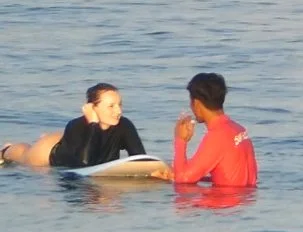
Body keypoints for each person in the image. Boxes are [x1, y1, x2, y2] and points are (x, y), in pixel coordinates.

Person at [1, 83, 147, 168]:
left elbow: (140, 157)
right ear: (92, 107)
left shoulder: (124, 125)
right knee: (23, 155)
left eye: (119, 104)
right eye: (111, 106)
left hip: (68, 141)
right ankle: (6, 149)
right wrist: (94, 124)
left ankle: (45, 137)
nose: (118, 111)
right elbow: (84, 164)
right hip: (48, 154)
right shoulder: (76, 125)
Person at [166, 73, 258, 187]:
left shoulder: (217, 136)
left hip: (225, 201)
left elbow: (182, 179)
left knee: (181, 192)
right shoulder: (239, 130)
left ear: (196, 103)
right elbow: (233, 179)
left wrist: (180, 140)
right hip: (245, 200)